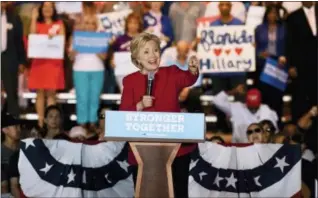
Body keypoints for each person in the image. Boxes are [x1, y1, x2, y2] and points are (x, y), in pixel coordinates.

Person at [120, 32, 199, 198]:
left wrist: (192, 69)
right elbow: (123, 116)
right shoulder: (130, 81)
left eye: (156, 50)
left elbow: (188, 78)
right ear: (137, 58)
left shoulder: (171, 72)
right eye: (146, 52)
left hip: (176, 151)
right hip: (142, 152)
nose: (153, 55)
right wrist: (140, 105)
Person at [28, 2, 66, 127]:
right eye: (45, 7)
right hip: (39, 63)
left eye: (50, 7)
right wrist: (33, 18)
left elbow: (62, 42)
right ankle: (40, 122)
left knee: (51, 93)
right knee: (39, 92)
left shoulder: (59, 24)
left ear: (54, 10)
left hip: (53, 63)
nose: (48, 9)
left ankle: (51, 122)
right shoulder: (37, 24)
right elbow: (32, 37)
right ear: (41, 9)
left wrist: (53, 39)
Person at [69, 14, 106, 131]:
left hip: (97, 69)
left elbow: (104, 56)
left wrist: (94, 48)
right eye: (87, 23)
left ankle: (93, 123)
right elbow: (70, 56)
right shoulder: (76, 37)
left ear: (96, 26)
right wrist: (76, 48)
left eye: (92, 24)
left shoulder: (101, 38)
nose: (90, 26)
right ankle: (82, 123)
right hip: (80, 69)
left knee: (95, 98)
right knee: (82, 97)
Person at [286, 2, 317, 122]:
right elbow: (289, 43)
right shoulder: (293, 17)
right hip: (302, 66)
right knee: (301, 97)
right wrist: (291, 65)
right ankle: (299, 130)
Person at [213, 85, 279, 143]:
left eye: (255, 107)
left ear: (260, 104)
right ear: (246, 103)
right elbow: (217, 100)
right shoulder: (237, 107)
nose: (253, 109)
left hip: (261, 146)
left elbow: (274, 132)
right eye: (251, 107)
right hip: (239, 146)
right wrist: (234, 91)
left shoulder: (267, 110)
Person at [254, 5, 286, 118]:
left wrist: (285, 57)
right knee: (265, 95)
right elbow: (254, 47)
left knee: (277, 96)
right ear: (266, 14)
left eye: (275, 13)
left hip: (279, 66)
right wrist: (259, 53)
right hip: (263, 66)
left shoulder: (284, 28)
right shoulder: (259, 29)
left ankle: (277, 122)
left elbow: (289, 46)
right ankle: (264, 121)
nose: (272, 15)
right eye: (270, 13)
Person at [1, 2, 27, 116]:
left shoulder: (14, 18)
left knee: (11, 95)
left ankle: (13, 126)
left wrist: (21, 61)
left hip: (9, 58)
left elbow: (19, 42)